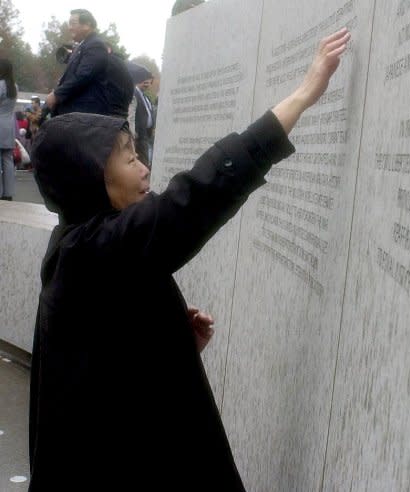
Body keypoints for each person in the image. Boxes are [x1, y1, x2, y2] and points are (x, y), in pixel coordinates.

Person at [28, 27, 350, 490]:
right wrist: (303, 94)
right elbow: (197, 195)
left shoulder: (77, 244)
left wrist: (161, 339)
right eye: (125, 158)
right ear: (88, 179)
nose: (143, 169)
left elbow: (98, 368)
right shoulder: (92, 252)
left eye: (138, 153)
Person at [45, 9, 114, 116]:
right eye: (69, 24)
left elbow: (83, 76)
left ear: (87, 25)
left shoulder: (96, 45)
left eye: (73, 24)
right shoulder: (82, 46)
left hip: (85, 114)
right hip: (75, 112)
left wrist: (57, 95)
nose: (69, 27)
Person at [130, 65, 156, 166]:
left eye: (149, 82)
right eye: (145, 80)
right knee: (142, 163)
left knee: (145, 161)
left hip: (147, 134)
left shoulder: (146, 97)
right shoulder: (133, 93)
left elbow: (149, 114)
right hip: (138, 135)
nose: (147, 83)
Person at [0, 59, 17, 201]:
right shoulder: (14, 87)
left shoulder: (0, 85)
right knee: (8, 159)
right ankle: (8, 192)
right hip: (10, 124)